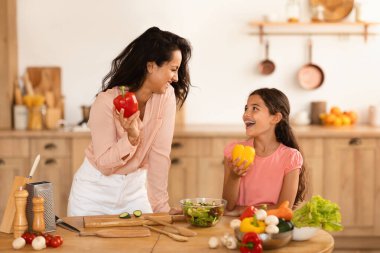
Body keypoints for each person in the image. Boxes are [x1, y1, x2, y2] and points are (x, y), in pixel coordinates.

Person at [67, 27, 192, 216]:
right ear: (151, 66)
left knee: (145, 244)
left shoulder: (165, 96)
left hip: (134, 194)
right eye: (173, 69)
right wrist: (131, 139)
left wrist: (161, 208)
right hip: (93, 194)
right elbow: (103, 164)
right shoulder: (106, 102)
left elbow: (160, 155)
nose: (175, 77)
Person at [222, 88, 307, 214]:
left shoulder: (290, 157)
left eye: (255, 108)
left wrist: (243, 210)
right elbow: (228, 206)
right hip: (237, 226)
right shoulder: (234, 151)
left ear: (275, 118)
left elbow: (284, 208)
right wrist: (234, 177)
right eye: (246, 108)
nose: (246, 114)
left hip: (272, 227)